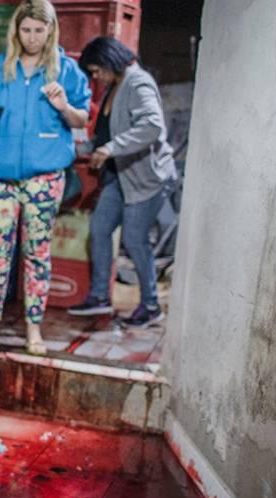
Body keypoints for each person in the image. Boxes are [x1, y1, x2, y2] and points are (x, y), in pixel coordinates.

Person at [0, 0, 90, 355]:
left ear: (51, 30)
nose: (32, 37)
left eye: (39, 30)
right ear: (16, 30)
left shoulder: (67, 72)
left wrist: (64, 105)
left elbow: (81, 121)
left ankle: (35, 330)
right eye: (26, 29)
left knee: (37, 252)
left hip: (44, 177)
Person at [67, 36, 177, 327]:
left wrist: (111, 149)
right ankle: (100, 296)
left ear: (109, 61)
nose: (95, 77)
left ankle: (151, 306)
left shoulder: (137, 83)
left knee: (134, 240)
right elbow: (105, 135)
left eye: (96, 70)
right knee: (100, 228)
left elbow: (152, 127)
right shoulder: (114, 86)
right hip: (120, 176)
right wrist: (82, 149)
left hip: (146, 179)